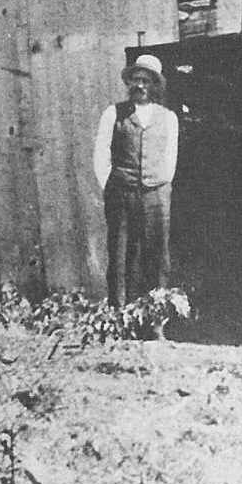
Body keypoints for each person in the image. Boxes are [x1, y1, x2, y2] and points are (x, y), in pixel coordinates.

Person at [93, 53, 179, 307]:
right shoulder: (114, 114)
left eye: (146, 80)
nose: (140, 85)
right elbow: (101, 153)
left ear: (154, 85)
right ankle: (120, 316)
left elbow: (170, 156)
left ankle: (155, 321)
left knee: (158, 256)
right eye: (135, 79)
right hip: (121, 193)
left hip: (157, 194)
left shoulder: (168, 117)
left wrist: (160, 182)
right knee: (120, 255)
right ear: (129, 82)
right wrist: (110, 185)